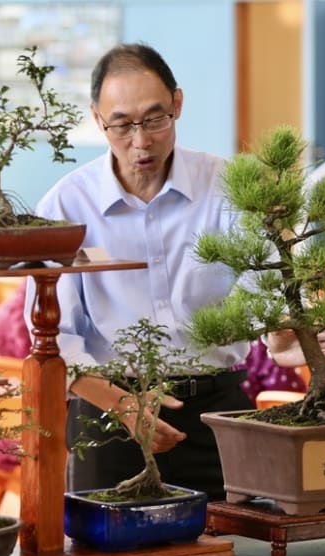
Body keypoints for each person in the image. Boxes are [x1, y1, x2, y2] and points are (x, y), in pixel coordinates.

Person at [32, 43, 289, 501]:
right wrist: (123, 405)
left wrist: (285, 332)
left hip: (214, 407)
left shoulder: (227, 188)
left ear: (178, 105)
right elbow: (54, 337)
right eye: (122, 124)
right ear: (97, 119)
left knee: (235, 554)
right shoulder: (66, 205)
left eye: (154, 120)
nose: (141, 140)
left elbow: (264, 294)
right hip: (110, 411)